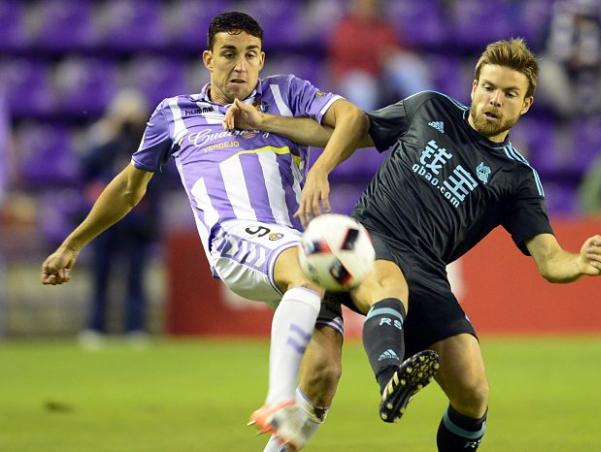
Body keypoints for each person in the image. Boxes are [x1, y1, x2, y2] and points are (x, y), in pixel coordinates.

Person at [225, 38, 601, 451]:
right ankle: (391, 376)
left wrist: (578, 263)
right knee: (387, 289)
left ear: (526, 105)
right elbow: (345, 131)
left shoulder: (517, 180)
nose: (495, 100)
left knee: (473, 394)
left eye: (509, 93)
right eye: (488, 87)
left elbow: (549, 260)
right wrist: (264, 121)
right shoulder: (430, 109)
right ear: (474, 87)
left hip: (427, 271)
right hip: (367, 238)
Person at [39, 11, 371, 450]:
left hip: (288, 245)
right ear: (208, 59)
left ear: (262, 58)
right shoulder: (173, 114)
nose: (241, 65)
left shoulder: (286, 92)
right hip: (233, 238)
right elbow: (127, 190)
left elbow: (354, 120)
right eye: (229, 54)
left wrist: (320, 169)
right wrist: (72, 243)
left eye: (251, 55)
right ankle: (276, 400)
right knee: (311, 269)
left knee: (325, 370)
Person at [77, 90, 159, 348]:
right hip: (105, 221)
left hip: (136, 222)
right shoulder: (104, 142)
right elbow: (84, 168)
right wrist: (107, 135)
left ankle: (135, 327)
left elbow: (159, 176)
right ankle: (95, 327)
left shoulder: (145, 143)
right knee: (101, 275)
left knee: (135, 276)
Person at [327, 0, 432, 111]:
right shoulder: (345, 29)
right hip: (357, 80)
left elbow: (399, 51)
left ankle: (429, 113)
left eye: (372, 5)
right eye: (364, 5)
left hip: (382, 80)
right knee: (361, 86)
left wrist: (391, 56)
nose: (368, 9)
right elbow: (344, 63)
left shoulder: (384, 27)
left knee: (407, 68)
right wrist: (377, 56)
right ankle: (362, 126)